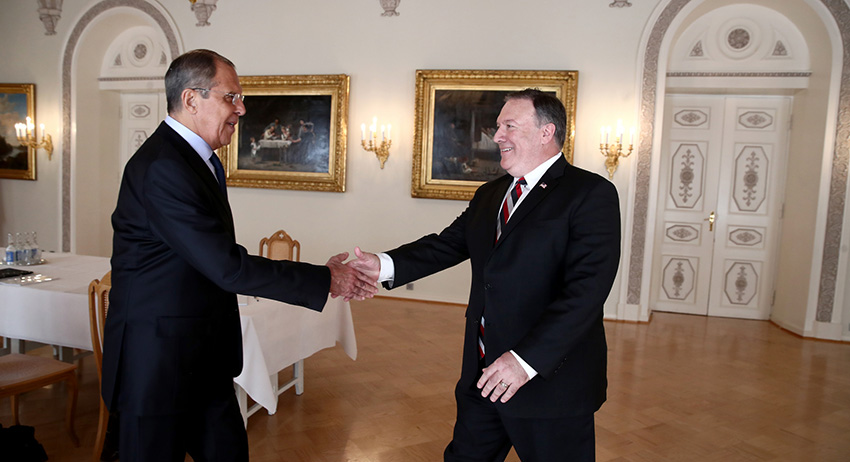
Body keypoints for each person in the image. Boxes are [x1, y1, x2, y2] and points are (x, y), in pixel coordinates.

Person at [102, 49, 377, 462]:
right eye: (231, 97)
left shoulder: (198, 161)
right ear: (191, 99)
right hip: (157, 366)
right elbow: (227, 266)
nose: (241, 108)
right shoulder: (163, 166)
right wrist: (326, 278)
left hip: (203, 357)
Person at [351, 89, 621, 461]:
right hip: (483, 376)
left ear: (546, 132)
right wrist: (382, 265)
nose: (497, 136)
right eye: (498, 126)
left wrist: (524, 361)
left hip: (549, 384)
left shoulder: (590, 193)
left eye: (509, 126)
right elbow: (446, 245)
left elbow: (586, 293)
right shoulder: (491, 193)